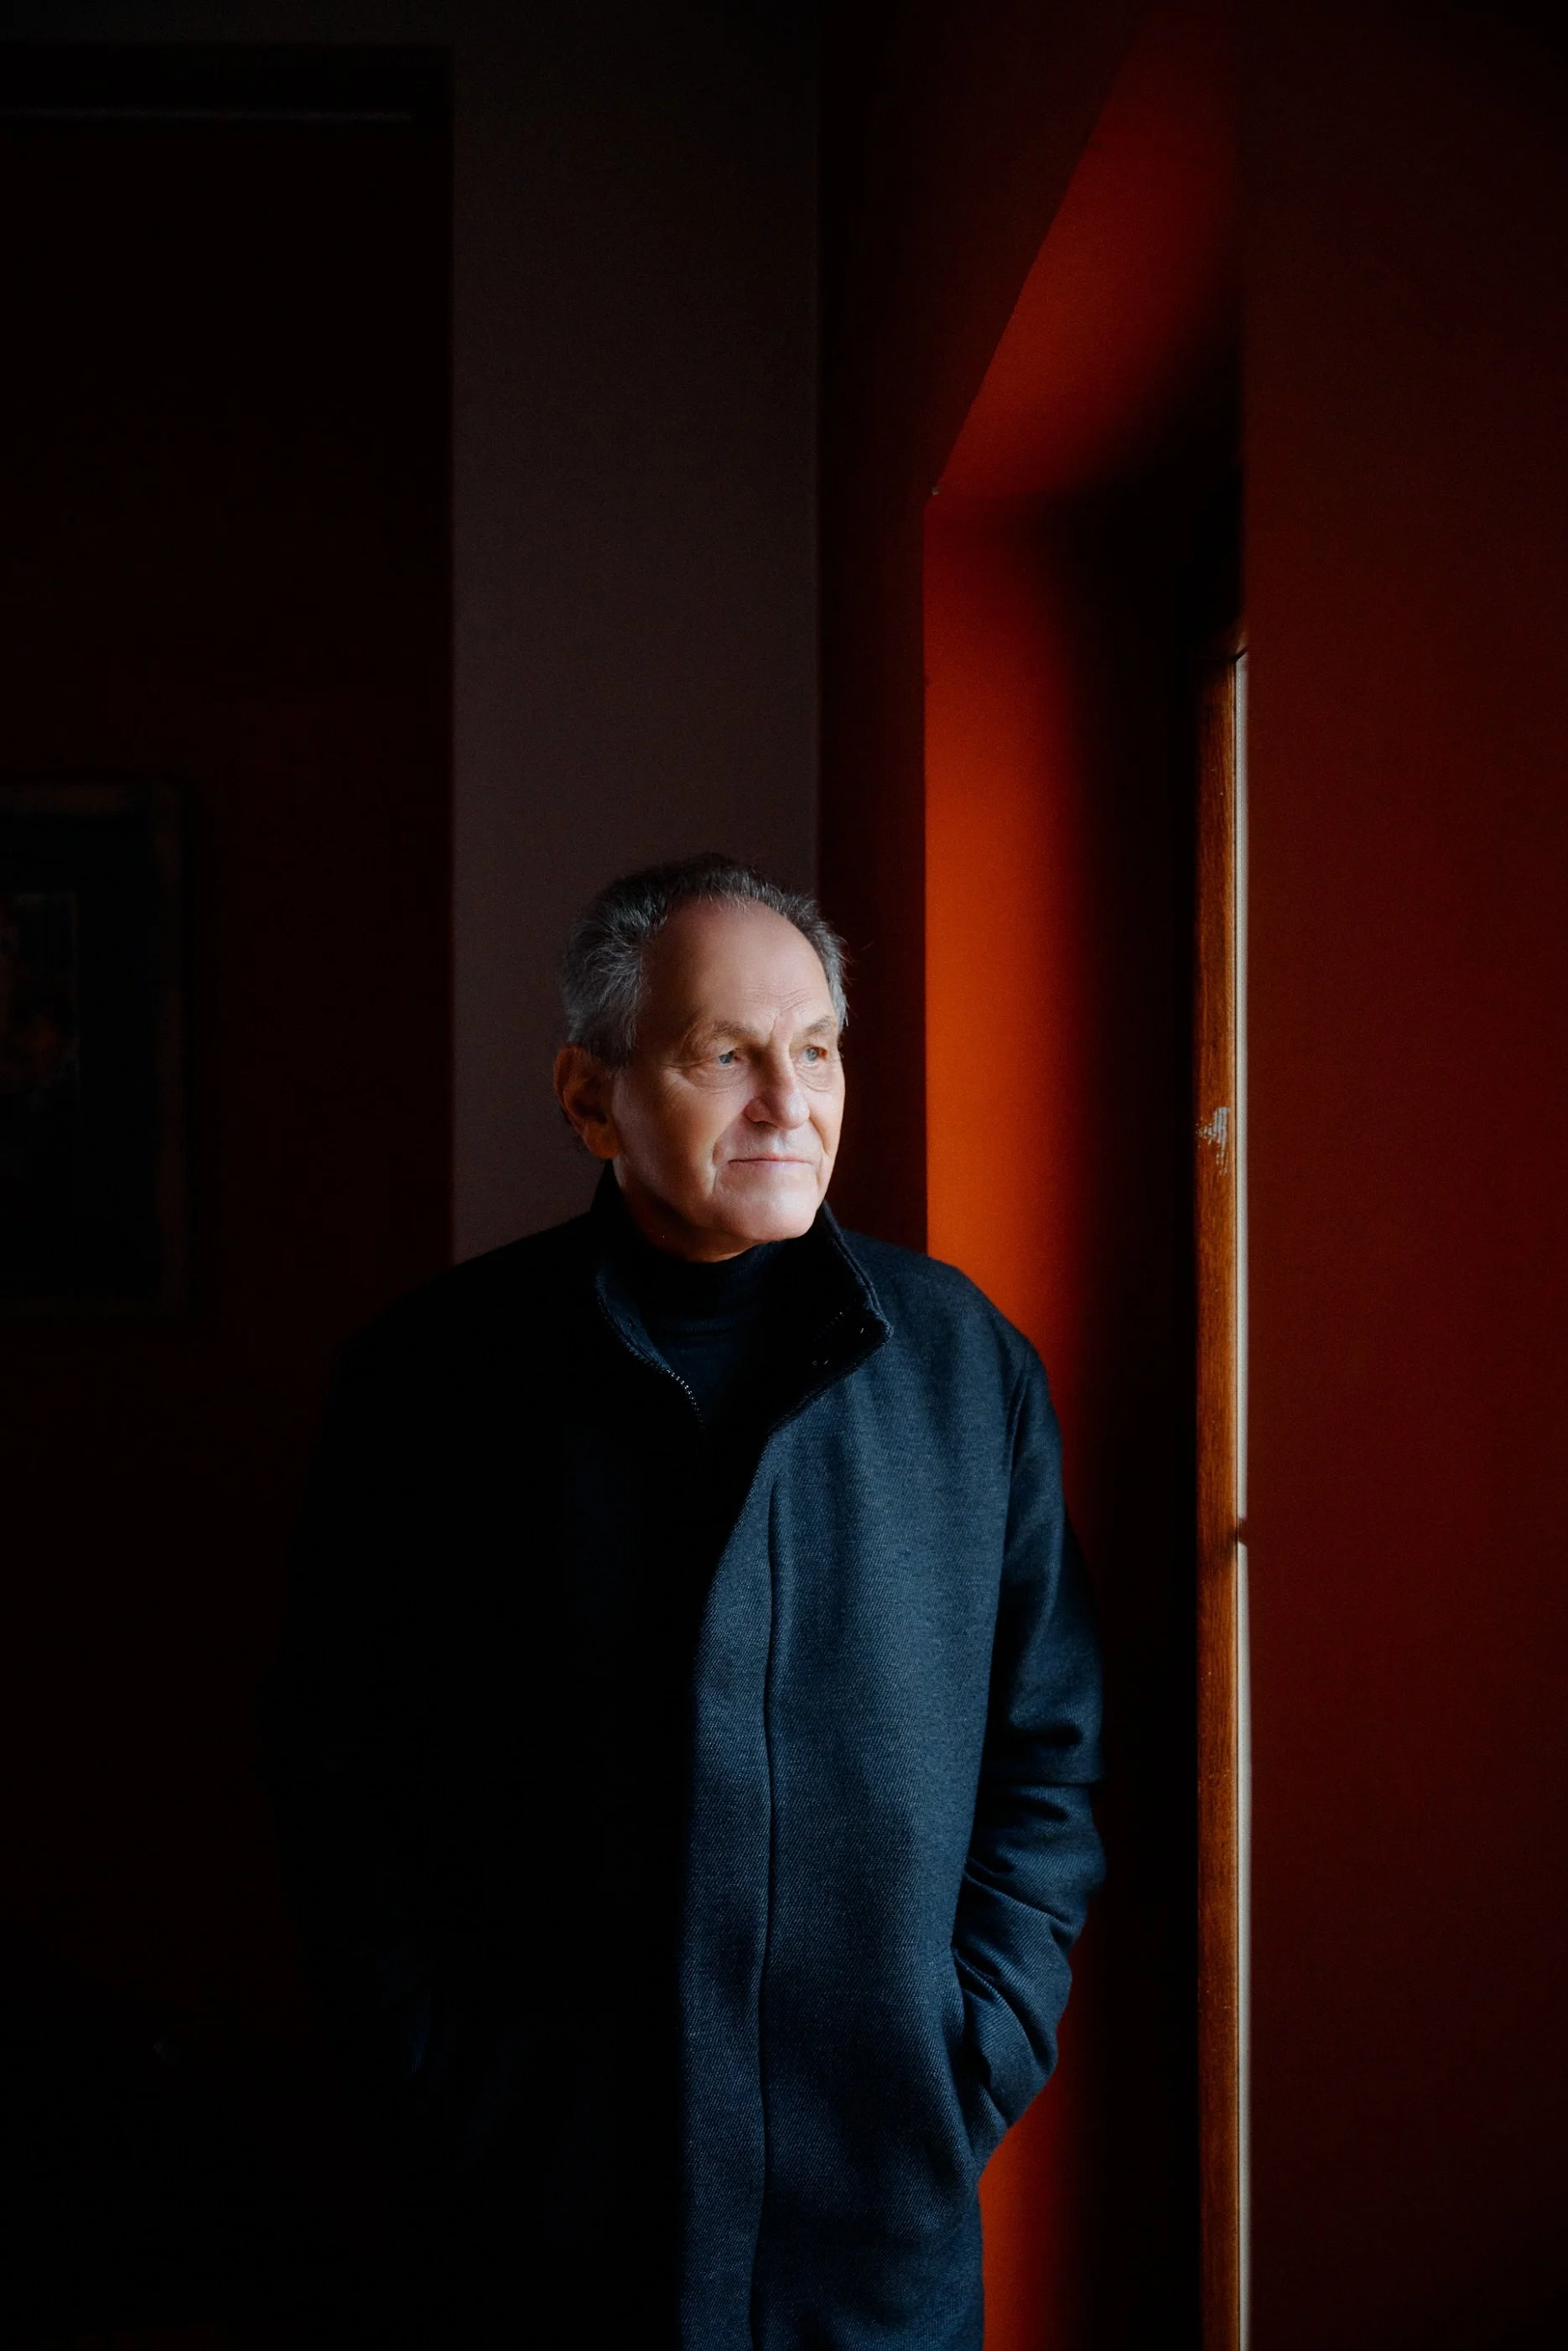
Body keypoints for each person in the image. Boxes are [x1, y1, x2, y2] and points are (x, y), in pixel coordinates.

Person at [262, 854, 1103, 2351]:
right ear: (590, 1098)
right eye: (724, 1054)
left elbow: (1048, 1754)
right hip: (529, 2228)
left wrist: (969, 2050)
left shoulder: (964, 1367)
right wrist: (442, 2087)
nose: (788, 1101)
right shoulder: (434, 1381)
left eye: (817, 1049)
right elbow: (342, 1777)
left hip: (876, 2226)